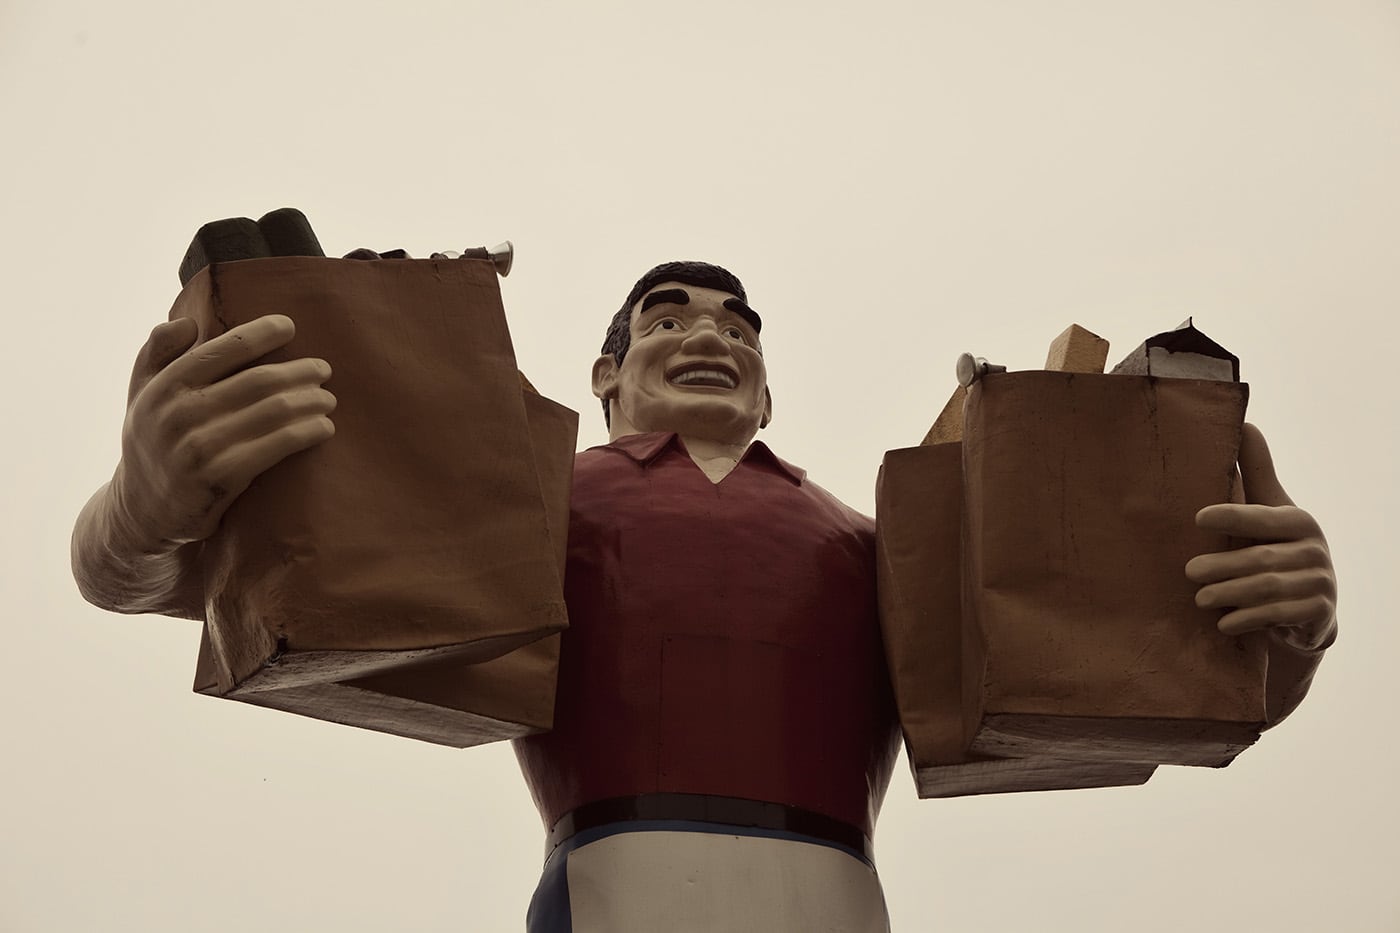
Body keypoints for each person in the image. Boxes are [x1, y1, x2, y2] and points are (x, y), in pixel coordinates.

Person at [72, 260, 1338, 931]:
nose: (709, 331)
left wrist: (1276, 647)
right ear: (608, 372)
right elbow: (192, 585)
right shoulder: (524, 504)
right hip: (612, 887)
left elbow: (1103, 693)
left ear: (767, 386)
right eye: (666, 314)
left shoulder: (877, 540)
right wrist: (136, 513)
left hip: (841, 896)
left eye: (738, 322)